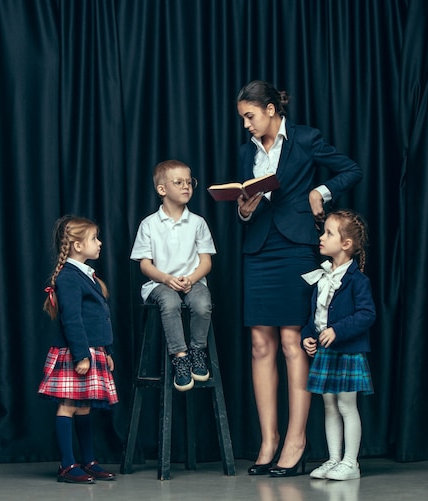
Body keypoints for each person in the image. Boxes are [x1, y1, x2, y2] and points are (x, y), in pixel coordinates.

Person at [235, 79, 362, 477]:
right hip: (257, 249)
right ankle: (268, 440)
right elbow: (246, 203)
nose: (246, 125)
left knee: (292, 342)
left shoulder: (305, 139)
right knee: (260, 344)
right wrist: (243, 209)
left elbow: (350, 169)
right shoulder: (246, 152)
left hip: (295, 248)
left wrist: (320, 192)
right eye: (243, 119)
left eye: (250, 116)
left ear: (271, 110)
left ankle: (296, 440)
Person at [38, 215, 118, 484]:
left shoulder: (87, 275)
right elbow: (71, 318)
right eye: (94, 238)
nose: (100, 243)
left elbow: (96, 320)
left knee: (84, 407)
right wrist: (81, 354)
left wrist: (104, 352)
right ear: (76, 245)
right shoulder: (68, 277)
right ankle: (67, 464)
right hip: (77, 352)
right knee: (68, 405)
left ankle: (88, 461)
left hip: (93, 350)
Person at [301, 210, 376, 481]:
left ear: (346, 244)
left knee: (346, 406)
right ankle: (334, 459)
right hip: (326, 353)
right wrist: (307, 336)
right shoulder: (322, 276)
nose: (321, 237)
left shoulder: (358, 280)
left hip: (347, 352)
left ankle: (350, 462)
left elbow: (367, 314)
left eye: (329, 233)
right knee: (329, 405)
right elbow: (316, 316)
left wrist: (337, 331)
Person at [130, 159, 216, 391]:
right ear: (162, 189)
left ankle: (197, 351)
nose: (186, 186)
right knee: (169, 302)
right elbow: (145, 265)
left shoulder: (198, 223)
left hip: (193, 280)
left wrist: (191, 278)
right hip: (160, 283)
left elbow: (206, 261)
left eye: (189, 182)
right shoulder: (149, 224)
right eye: (179, 182)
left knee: (202, 303)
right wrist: (166, 279)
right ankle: (180, 356)